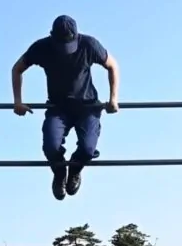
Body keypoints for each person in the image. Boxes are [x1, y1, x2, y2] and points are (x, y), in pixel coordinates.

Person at [11, 15, 121, 201]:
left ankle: (75, 170)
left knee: (87, 149)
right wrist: (18, 101)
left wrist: (113, 99)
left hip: (87, 107)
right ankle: (60, 172)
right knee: (50, 146)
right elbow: (17, 68)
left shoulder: (89, 44)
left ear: (76, 36)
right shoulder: (42, 47)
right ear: (52, 36)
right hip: (58, 108)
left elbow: (112, 65)